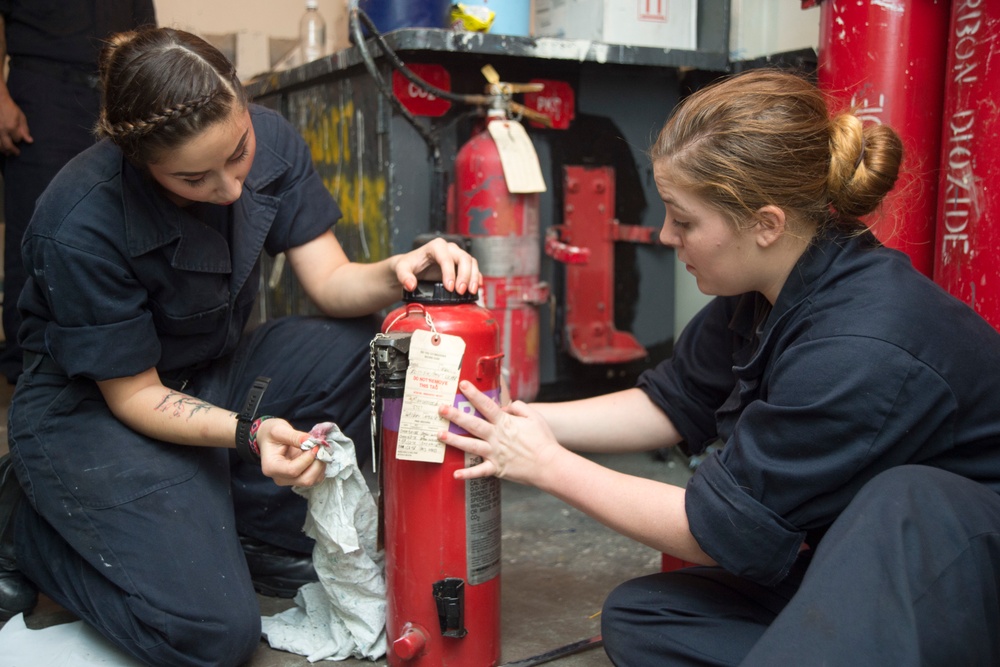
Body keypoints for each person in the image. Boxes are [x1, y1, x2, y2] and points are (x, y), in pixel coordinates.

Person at [439, 68, 1000, 666]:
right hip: (852, 550)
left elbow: (719, 533)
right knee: (642, 618)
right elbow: (670, 403)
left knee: (904, 497)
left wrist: (547, 465)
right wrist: (506, 420)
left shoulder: (861, 345)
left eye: (684, 220)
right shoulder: (766, 288)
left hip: (953, 560)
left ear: (766, 224)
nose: (664, 235)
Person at [0, 27, 480, 666]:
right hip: (96, 414)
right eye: (193, 178)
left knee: (370, 345)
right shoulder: (79, 222)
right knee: (211, 636)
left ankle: (231, 523)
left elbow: (333, 283)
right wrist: (251, 434)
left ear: (241, 102)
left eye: (238, 154)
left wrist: (405, 267)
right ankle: (30, 529)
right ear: (139, 160)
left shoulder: (271, 137)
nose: (229, 188)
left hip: (208, 376)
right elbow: (136, 394)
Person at [0, 0, 157, 383]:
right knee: (36, 228)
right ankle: (29, 370)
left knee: (127, 221)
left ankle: (117, 363)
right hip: (42, 93)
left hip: (116, 91)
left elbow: (145, 33)